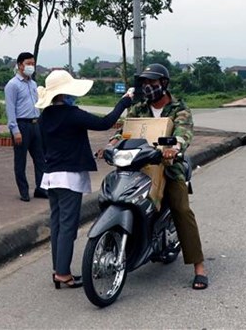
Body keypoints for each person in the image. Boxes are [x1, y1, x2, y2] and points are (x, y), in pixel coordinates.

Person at [104, 63, 209, 290]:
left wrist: (176, 146)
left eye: (152, 83)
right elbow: (125, 130)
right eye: (145, 83)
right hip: (139, 167)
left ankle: (199, 266)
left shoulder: (178, 108)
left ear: (163, 84)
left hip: (169, 167)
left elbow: (184, 131)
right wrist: (111, 143)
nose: (148, 87)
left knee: (181, 209)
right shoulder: (138, 108)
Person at [36, 70, 133, 289]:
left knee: (57, 225)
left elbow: (45, 146)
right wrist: (123, 103)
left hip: (51, 176)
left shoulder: (45, 117)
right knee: (68, 227)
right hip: (69, 177)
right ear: (65, 93)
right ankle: (62, 273)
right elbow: (105, 123)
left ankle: (57, 269)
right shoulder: (72, 113)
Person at [4, 52, 48, 202]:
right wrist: (15, 130)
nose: (31, 67)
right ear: (20, 65)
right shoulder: (12, 85)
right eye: (28, 63)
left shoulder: (33, 84)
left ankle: (41, 188)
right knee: (20, 160)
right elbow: (10, 109)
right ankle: (24, 191)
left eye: (33, 64)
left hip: (35, 124)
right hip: (21, 125)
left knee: (40, 159)